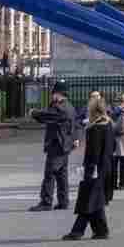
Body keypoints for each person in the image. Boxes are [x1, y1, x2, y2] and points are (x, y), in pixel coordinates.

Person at [62, 92, 117, 240]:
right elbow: (113, 147)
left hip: (95, 169)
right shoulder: (109, 125)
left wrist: (89, 169)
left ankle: (77, 231)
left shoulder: (95, 129)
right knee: (95, 200)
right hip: (106, 167)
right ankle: (101, 230)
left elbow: (94, 153)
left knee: (87, 199)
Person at [29, 81, 78, 211]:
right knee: (61, 174)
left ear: (58, 94)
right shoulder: (69, 106)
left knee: (50, 174)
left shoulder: (60, 108)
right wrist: (75, 139)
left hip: (57, 144)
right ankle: (63, 201)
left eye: (53, 93)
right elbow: (75, 124)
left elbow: (47, 116)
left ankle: (46, 202)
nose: (52, 96)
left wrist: (34, 113)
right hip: (65, 145)